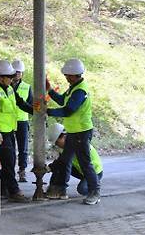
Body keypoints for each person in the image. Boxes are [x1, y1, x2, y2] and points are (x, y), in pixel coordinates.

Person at [39, 58, 101, 205]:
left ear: (74, 75)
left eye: (67, 75)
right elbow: (62, 101)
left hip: (82, 132)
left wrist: (47, 111)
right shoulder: (74, 87)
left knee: (85, 163)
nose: (66, 77)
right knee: (65, 159)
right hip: (74, 132)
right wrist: (49, 90)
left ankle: (95, 192)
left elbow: (68, 110)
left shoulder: (80, 90)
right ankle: (59, 188)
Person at [0, 59, 34, 203]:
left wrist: (35, 111)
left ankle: (4, 189)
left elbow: (21, 103)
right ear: (0, 77)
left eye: (13, 76)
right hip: (0, 132)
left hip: (10, 130)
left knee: (10, 161)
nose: (12, 79)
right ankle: (14, 190)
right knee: (8, 161)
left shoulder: (10, 89)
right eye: (9, 77)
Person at [47, 122, 103, 197]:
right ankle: (57, 188)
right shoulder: (64, 146)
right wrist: (50, 169)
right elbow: (59, 162)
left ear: (64, 136)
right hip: (81, 170)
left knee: (82, 189)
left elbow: (65, 161)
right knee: (60, 165)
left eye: (57, 142)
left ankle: (95, 185)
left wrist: (51, 168)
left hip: (94, 172)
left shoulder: (76, 143)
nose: (56, 145)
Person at [11, 59, 31, 183]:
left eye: (20, 72)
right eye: (16, 71)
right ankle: (7, 171)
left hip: (22, 121)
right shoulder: (5, 86)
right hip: (8, 122)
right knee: (9, 149)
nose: (18, 74)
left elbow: (30, 103)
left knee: (23, 148)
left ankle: (22, 171)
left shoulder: (27, 87)